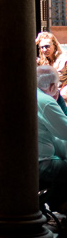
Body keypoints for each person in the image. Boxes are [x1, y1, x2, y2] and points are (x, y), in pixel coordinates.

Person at [36, 65, 67, 213]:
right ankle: (60, 205)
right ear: (53, 85)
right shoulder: (45, 101)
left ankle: (57, 204)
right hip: (39, 163)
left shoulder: (33, 95)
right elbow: (65, 132)